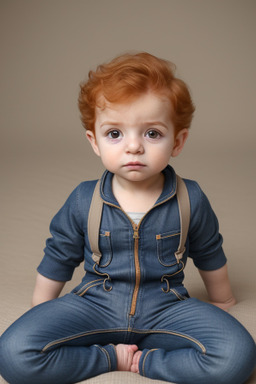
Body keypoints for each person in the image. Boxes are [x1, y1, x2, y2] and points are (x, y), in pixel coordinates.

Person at [0, 52, 255, 384]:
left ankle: (146, 362)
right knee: (13, 352)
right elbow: (59, 254)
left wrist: (223, 300)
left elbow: (208, 250)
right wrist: (42, 309)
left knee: (238, 356)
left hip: (167, 308)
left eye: (152, 134)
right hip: (94, 305)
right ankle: (109, 357)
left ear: (177, 141)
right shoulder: (83, 198)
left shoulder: (190, 198)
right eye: (115, 134)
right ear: (94, 141)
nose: (133, 147)